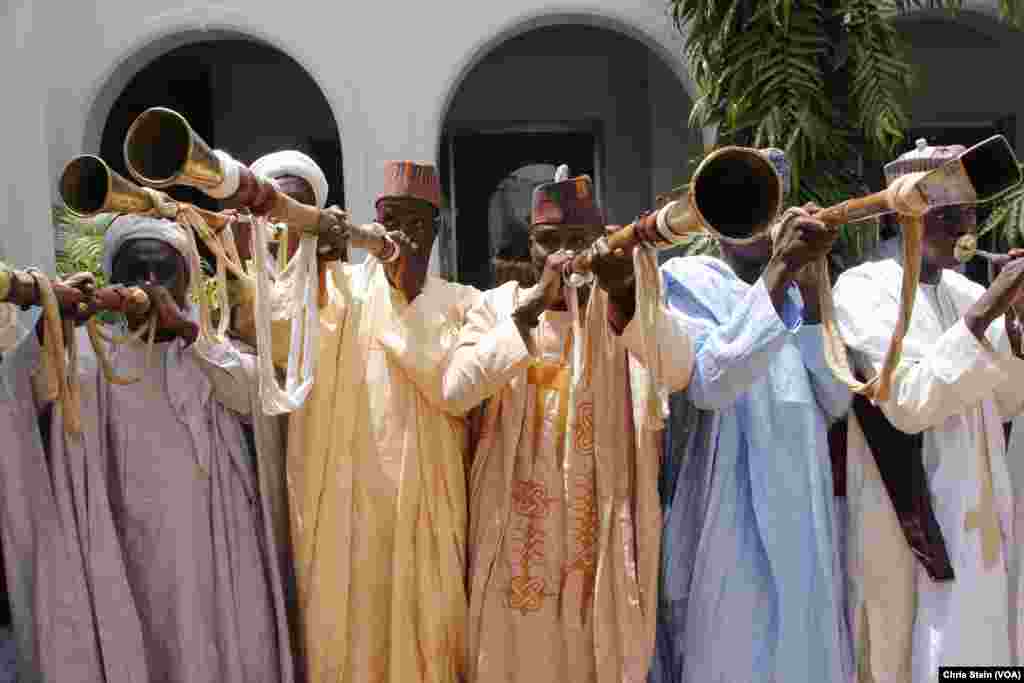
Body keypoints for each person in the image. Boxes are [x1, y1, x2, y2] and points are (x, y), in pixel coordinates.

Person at [0, 214, 294, 683]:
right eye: (137, 272)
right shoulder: (88, 354)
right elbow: (17, 389)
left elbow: (256, 397)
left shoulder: (206, 353)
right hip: (118, 554)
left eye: (165, 272)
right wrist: (49, 324)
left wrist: (188, 332)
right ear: (115, 282)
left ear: (187, 282)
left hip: (205, 561)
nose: (151, 285)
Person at [438, 171, 693, 683]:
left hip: (595, 531)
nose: (561, 256)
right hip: (516, 538)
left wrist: (623, 296)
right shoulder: (496, 307)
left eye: (576, 242)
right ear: (529, 246)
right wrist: (530, 310)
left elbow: (679, 370)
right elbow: (456, 390)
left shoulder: (624, 303)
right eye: (547, 242)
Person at [252, 161, 480, 683]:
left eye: (417, 223)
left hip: (424, 514)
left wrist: (408, 296)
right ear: (374, 222)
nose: (401, 234)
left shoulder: (464, 303)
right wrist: (310, 265)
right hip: (345, 515)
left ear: (437, 231)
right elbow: (285, 347)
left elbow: (458, 386)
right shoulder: (341, 289)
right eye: (391, 219)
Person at [649, 149, 853, 683]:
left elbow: (836, 400)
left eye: (767, 203)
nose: (759, 223)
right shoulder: (687, 280)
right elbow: (711, 382)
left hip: (802, 514)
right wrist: (781, 271)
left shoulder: (798, 285)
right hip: (728, 512)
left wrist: (810, 295)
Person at [834, 140, 1024, 681]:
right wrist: (989, 311)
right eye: (945, 213)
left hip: (981, 516)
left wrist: (1017, 323)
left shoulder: (966, 291)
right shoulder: (864, 287)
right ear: (906, 215)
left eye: (968, 212)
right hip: (912, 523)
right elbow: (910, 404)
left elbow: (1009, 402)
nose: (963, 226)